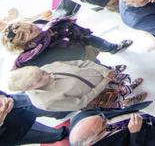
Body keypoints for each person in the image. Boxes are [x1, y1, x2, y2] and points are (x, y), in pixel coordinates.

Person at [7, 61, 146, 112]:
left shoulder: (46, 69)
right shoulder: (45, 102)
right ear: (30, 88)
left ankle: (129, 87)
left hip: (103, 77)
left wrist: (104, 72)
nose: (47, 75)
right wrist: (104, 83)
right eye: (40, 79)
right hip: (97, 96)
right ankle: (128, 101)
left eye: (42, 72)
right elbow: (82, 102)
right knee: (117, 99)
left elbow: (80, 63)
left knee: (120, 86)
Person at [2, 18, 131, 69]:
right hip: (79, 56)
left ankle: (113, 48)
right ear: (23, 45)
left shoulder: (40, 23)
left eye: (28, 26)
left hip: (81, 38)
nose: (32, 29)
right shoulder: (32, 56)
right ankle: (111, 70)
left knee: (101, 43)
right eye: (25, 34)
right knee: (97, 65)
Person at [69, 108, 155, 146]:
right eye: (104, 125)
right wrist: (135, 133)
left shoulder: (81, 117)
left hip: (146, 123)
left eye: (103, 118)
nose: (107, 121)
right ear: (91, 142)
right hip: (144, 140)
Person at [0, 91, 69, 145]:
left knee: (55, 106)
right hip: (6, 132)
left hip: (9, 103)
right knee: (53, 135)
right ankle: (64, 134)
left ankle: (70, 107)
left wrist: (3, 95)